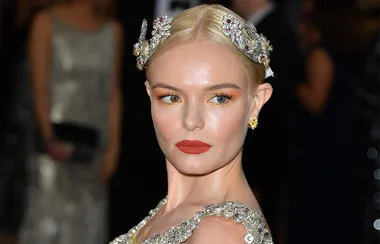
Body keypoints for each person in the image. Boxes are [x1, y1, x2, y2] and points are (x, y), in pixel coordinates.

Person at [110, 4, 274, 244]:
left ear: (256, 102)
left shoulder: (220, 233)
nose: (191, 121)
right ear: (150, 96)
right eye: (171, 97)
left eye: (219, 98)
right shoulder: (176, 212)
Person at [19, 0, 123, 243]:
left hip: (93, 148)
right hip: (55, 147)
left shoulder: (112, 30)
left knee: (87, 225)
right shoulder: (46, 22)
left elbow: (113, 94)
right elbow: (39, 89)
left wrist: (113, 148)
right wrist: (48, 138)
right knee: (48, 224)